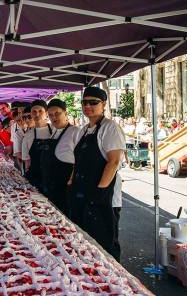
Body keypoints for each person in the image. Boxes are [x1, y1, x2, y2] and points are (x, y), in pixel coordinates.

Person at [68, 87, 125, 262]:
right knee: (85, 242)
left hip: (102, 198)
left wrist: (99, 193)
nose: (88, 106)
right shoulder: (84, 130)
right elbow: (78, 161)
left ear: (104, 105)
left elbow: (113, 162)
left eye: (93, 102)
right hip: (83, 193)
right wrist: (71, 182)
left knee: (104, 243)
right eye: (85, 102)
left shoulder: (110, 128)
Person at [41, 99, 80, 214]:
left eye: (57, 113)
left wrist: (71, 181)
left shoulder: (75, 131)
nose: (54, 117)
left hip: (65, 186)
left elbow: (80, 160)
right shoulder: (53, 132)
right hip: (50, 186)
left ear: (65, 113)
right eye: (51, 115)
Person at [22, 100, 53, 188]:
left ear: (46, 113)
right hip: (36, 177)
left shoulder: (55, 130)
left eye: (40, 111)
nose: (37, 114)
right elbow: (27, 161)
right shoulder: (28, 135)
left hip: (53, 176)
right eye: (34, 112)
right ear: (31, 114)